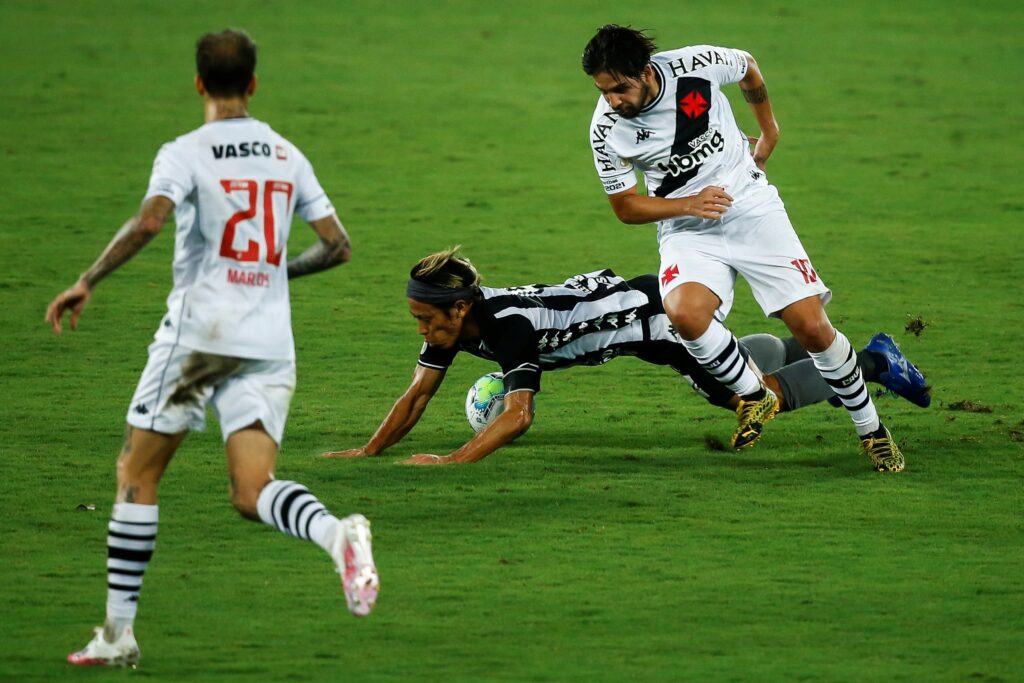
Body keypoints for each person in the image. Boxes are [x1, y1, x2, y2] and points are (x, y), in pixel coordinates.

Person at [46, 29, 378, 668]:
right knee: (252, 492)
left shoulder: (185, 152)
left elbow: (149, 220)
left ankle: (117, 635)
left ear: (199, 84)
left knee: (137, 475)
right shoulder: (286, 153)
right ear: (253, 85)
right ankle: (337, 533)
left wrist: (87, 279)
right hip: (268, 341)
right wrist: (276, 273)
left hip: (199, 338)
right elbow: (338, 245)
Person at [580, 25, 907, 473]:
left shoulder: (694, 66)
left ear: (645, 71)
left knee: (811, 328)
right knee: (683, 313)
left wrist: (768, 130)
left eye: (620, 89)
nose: (613, 101)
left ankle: (872, 431)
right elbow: (625, 207)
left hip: (751, 208)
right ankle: (754, 395)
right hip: (686, 227)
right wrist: (688, 204)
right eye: (604, 91)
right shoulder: (606, 129)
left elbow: (749, 68)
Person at [323, 248, 928, 465]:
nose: (423, 330)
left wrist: (453, 461)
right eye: (418, 320)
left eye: (428, 319)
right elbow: (418, 393)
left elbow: (518, 416)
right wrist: (368, 450)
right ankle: (834, 352)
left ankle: (874, 361)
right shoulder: (456, 326)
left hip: (657, 321)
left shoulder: (506, 330)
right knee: (742, 363)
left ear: (459, 309)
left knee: (749, 394)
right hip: (642, 312)